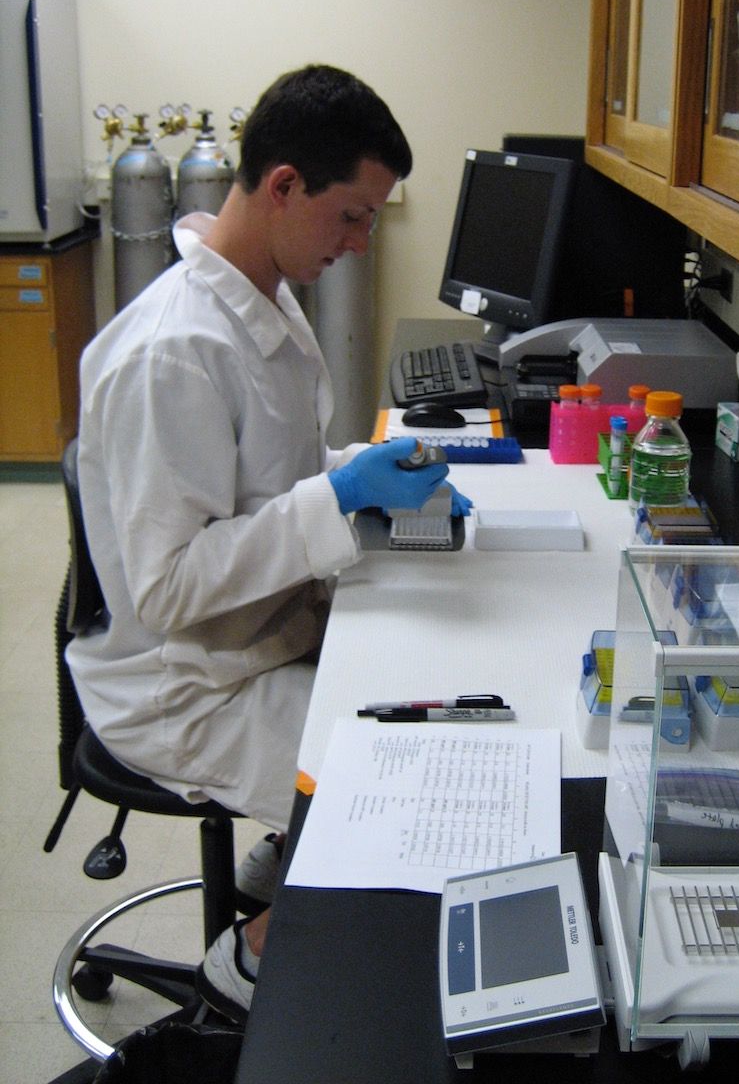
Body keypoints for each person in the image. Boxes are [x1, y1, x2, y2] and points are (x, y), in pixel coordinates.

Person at [67, 64, 470, 1020]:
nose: (363, 242)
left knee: (445, 688)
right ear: (284, 185)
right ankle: (244, 968)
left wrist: (365, 468)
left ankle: (293, 845)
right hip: (185, 684)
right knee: (416, 792)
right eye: (353, 216)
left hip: (254, 632)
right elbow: (164, 590)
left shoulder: (262, 294)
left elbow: (266, 474)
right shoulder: (174, 350)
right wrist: (336, 497)